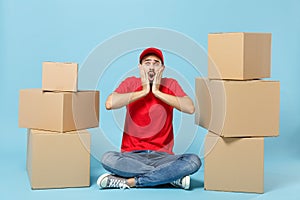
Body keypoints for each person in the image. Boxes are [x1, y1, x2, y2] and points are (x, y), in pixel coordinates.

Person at [97, 47, 201, 190]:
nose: (151, 67)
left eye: (156, 63)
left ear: (162, 68)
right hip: (132, 156)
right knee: (108, 158)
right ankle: (168, 178)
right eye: (147, 63)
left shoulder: (170, 84)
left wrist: (157, 92)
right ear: (140, 67)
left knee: (193, 161)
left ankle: (130, 182)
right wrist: (144, 91)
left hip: (163, 158)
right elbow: (110, 103)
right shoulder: (130, 83)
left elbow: (190, 108)